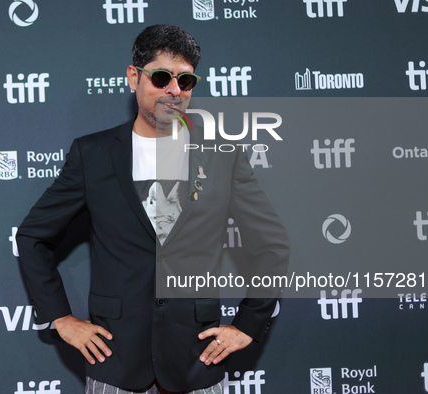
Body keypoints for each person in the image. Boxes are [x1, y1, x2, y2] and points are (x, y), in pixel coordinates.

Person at [16, 24, 289, 393]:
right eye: (161, 77)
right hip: (116, 360)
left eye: (185, 81)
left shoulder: (223, 156)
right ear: (134, 77)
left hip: (198, 360)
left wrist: (247, 325)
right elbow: (33, 235)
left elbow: (272, 246)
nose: (174, 91)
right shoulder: (93, 155)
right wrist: (60, 317)